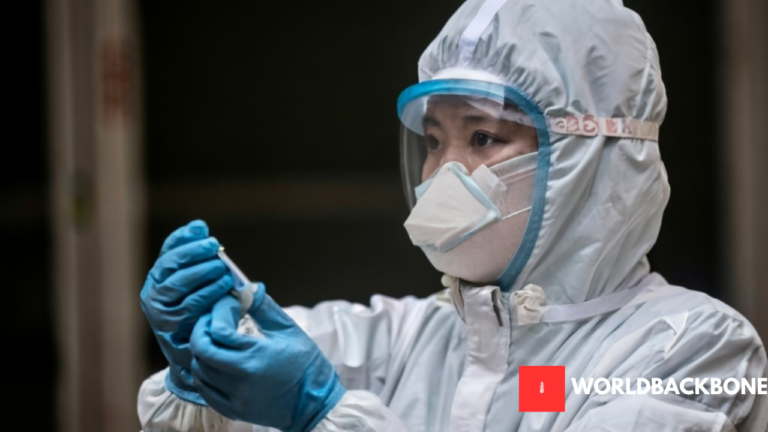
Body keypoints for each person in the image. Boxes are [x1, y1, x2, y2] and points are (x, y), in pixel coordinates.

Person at [137, 0, 768, 431]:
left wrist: (323, 415)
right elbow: (269, 379)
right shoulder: (410, 340)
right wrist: (207, 363)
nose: (441, 174)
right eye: (435, 141)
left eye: (484, 139)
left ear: (587, 158)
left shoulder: (695, 350)